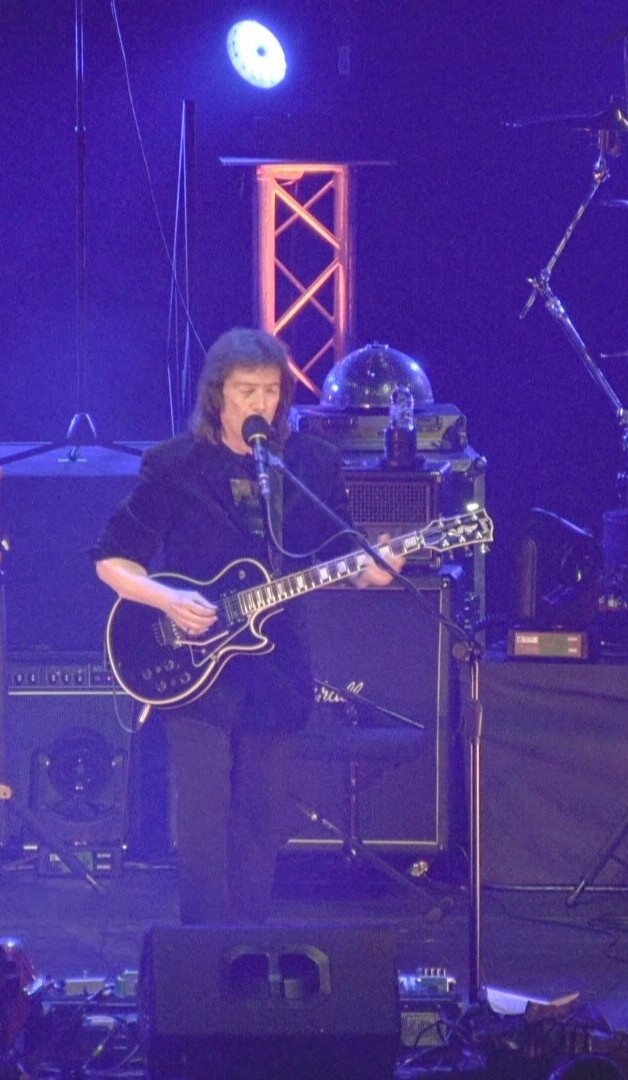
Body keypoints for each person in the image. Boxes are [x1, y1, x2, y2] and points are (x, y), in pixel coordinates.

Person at [92, 327, 401, 925]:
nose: (260, 403)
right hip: (193, 665)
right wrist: (166, 597)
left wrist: (379, 570)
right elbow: (111, 558)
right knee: (204, 820)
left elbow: (348, 559)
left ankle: (250, 950)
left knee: (262, 818)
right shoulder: (176, 465)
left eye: (271, 390)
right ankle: (204, 958)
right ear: (217, 396)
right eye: (245, 391)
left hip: (278, 666)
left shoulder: (311, 463)